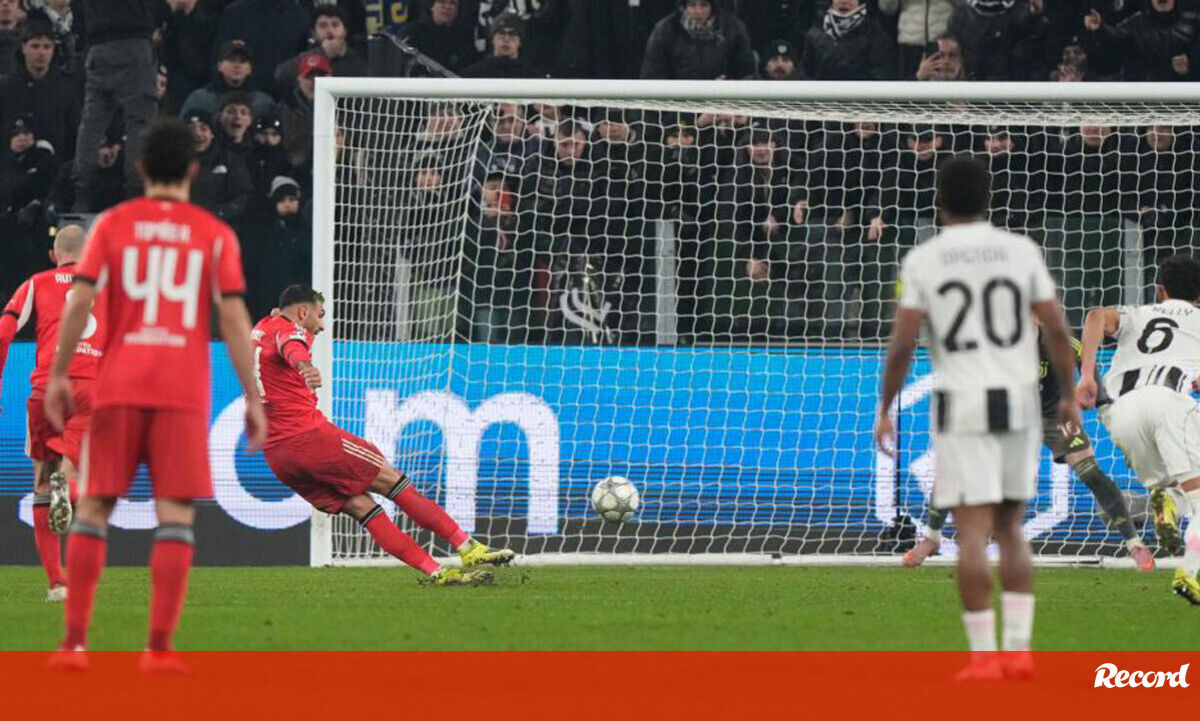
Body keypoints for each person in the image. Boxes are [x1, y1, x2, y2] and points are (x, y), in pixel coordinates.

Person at [44, 118, 267, 672]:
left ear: (141, 168)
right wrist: (253, 396)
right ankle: (159, 650)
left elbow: (79, 302)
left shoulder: (113, 224)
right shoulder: (214, 234)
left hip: (118, 385)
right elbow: (234, 319)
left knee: (95, 505)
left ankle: (74, 645)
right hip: (181, 391)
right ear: (192, 169)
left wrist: (59, 374)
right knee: (174, 514)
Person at [874, 156, 1078, 679]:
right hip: (1017, 400)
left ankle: (985, 659)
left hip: (961, 400)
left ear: (939, 203)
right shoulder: (1021, 251)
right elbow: (1057, 329)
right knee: (1009, 527)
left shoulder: (924, 260)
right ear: (989, 200)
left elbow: (902, 343)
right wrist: (1068, 395)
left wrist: (886, 407)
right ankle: (1020, 652)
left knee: (970, 533)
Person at [253, 285, 511, 584]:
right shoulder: (290, 332)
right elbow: (292, 346)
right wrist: (305, 366)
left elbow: (280, 337)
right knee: (394, 483)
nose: (322, 325)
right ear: (302, 311)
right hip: (309, 438)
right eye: (320, 315)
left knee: (363, 508)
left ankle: (437, 572)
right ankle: (467, 547)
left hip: (278, 456)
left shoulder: (262, 328)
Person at [903, 324, 1155, 571]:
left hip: (1055, 416)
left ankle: (1134, 544)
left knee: (1090, 471)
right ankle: (932, 537)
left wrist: (1099, 399)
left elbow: (1084, 361)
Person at [1077, 254, 1200, 605]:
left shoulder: (1136, 313)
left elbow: (1095, 316)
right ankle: (1189, 573)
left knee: (1172, 488)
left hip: (1121, 414)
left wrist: (1086, 375)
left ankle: (1165, 500)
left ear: (1160, 291)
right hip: (1170, 405)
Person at [0, 225, 100, 603]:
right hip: (89, 389)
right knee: (80, 477)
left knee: (41, 483)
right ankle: (69, 489)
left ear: (53, 255)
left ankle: (57, 584)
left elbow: (3, 333)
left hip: (46, 388)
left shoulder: (36, 283)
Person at [72, 0, 157, 209]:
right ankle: (136, 193)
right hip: (133, 42)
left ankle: (81, 192)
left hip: (97, 45)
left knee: (92, 123)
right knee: (139, 122)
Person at [0, 19, 80, 164]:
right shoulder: (5, 87)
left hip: (55, 168)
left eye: (47, 47)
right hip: (11, 168)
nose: (41, 53)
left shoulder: (65, 88)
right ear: (23, 47)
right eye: (35, 46)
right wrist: (8, 145)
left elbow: (73, 134)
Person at [640, 0, 755, 80]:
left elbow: (748, 73)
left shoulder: (733, 28)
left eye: (704, 5)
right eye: (692, 5)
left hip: (724, 102)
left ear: (712, 6)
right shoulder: (665, 30)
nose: (698, 11)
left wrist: (730, 84)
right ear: (684, 6)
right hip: (678, 103)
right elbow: (652, 76)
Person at [1082, 0, 1194, 82]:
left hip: (1182, 98)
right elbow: (1116, 41)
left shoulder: (1193, 25)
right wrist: (1100, 29)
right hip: (1139, 98)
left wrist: (1189, 67)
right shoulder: (1132, 25)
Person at [274, 5, 367, 96]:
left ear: (345, 31)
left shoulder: (357, 58)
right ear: (313, 33)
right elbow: (281, 74)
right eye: (323, 26)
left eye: (335, 25)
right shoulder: (307, 55)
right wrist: (323, 52)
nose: (330, 30)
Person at [179, 40, 278, 125]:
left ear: (250, 69)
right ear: (219, 66)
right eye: (231, 60)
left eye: (242, 61)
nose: (237, 66)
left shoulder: (263, 103)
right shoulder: (200, 100)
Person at [801, 0, 897, 80]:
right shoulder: (815, 34)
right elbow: (807, 73)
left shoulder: (875, 34)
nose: (844, 1)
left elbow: (882, 74)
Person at [460, 12, 541, 78]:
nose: (506, 39)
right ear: (493, 39)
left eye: (512, 34)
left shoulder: (533, 78)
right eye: (501, 33)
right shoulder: (472, 75)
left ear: (520, 41)